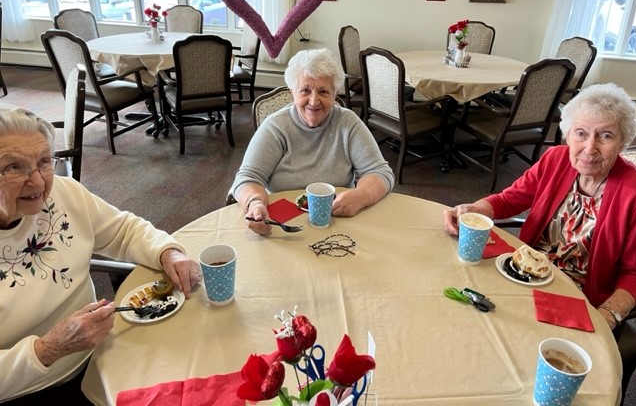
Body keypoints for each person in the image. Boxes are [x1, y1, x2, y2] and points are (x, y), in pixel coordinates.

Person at [0, 106, 201, 403]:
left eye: (44, 162)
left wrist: (167, 253)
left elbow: (124, 229)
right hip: (31, 390)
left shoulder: (65, 193)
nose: (39, 183)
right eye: (15, 167)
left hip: (102, 351)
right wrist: (48, 348)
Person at [443, 83, 636, 330]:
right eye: (581, 133)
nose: (590, 148)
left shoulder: (635, 193)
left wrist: (608, 315)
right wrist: (470, 209)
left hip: (577, 297)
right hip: (522, 273)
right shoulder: (555, 159)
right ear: (568, 134)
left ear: (622, 142)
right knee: (464, 302)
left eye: (606, 136)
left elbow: (635, 275)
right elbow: (507, 199)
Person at [231, 48, 395, 236]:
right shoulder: (276, 126)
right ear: (292, 92)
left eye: (323, 91)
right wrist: (256, 203)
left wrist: (360, 196)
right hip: (284, 225)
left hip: (338, 222)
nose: (314, 101)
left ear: (335, 93)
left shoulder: (347, 123)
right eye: (305, 91)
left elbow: (380, 172)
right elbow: (247, 178)